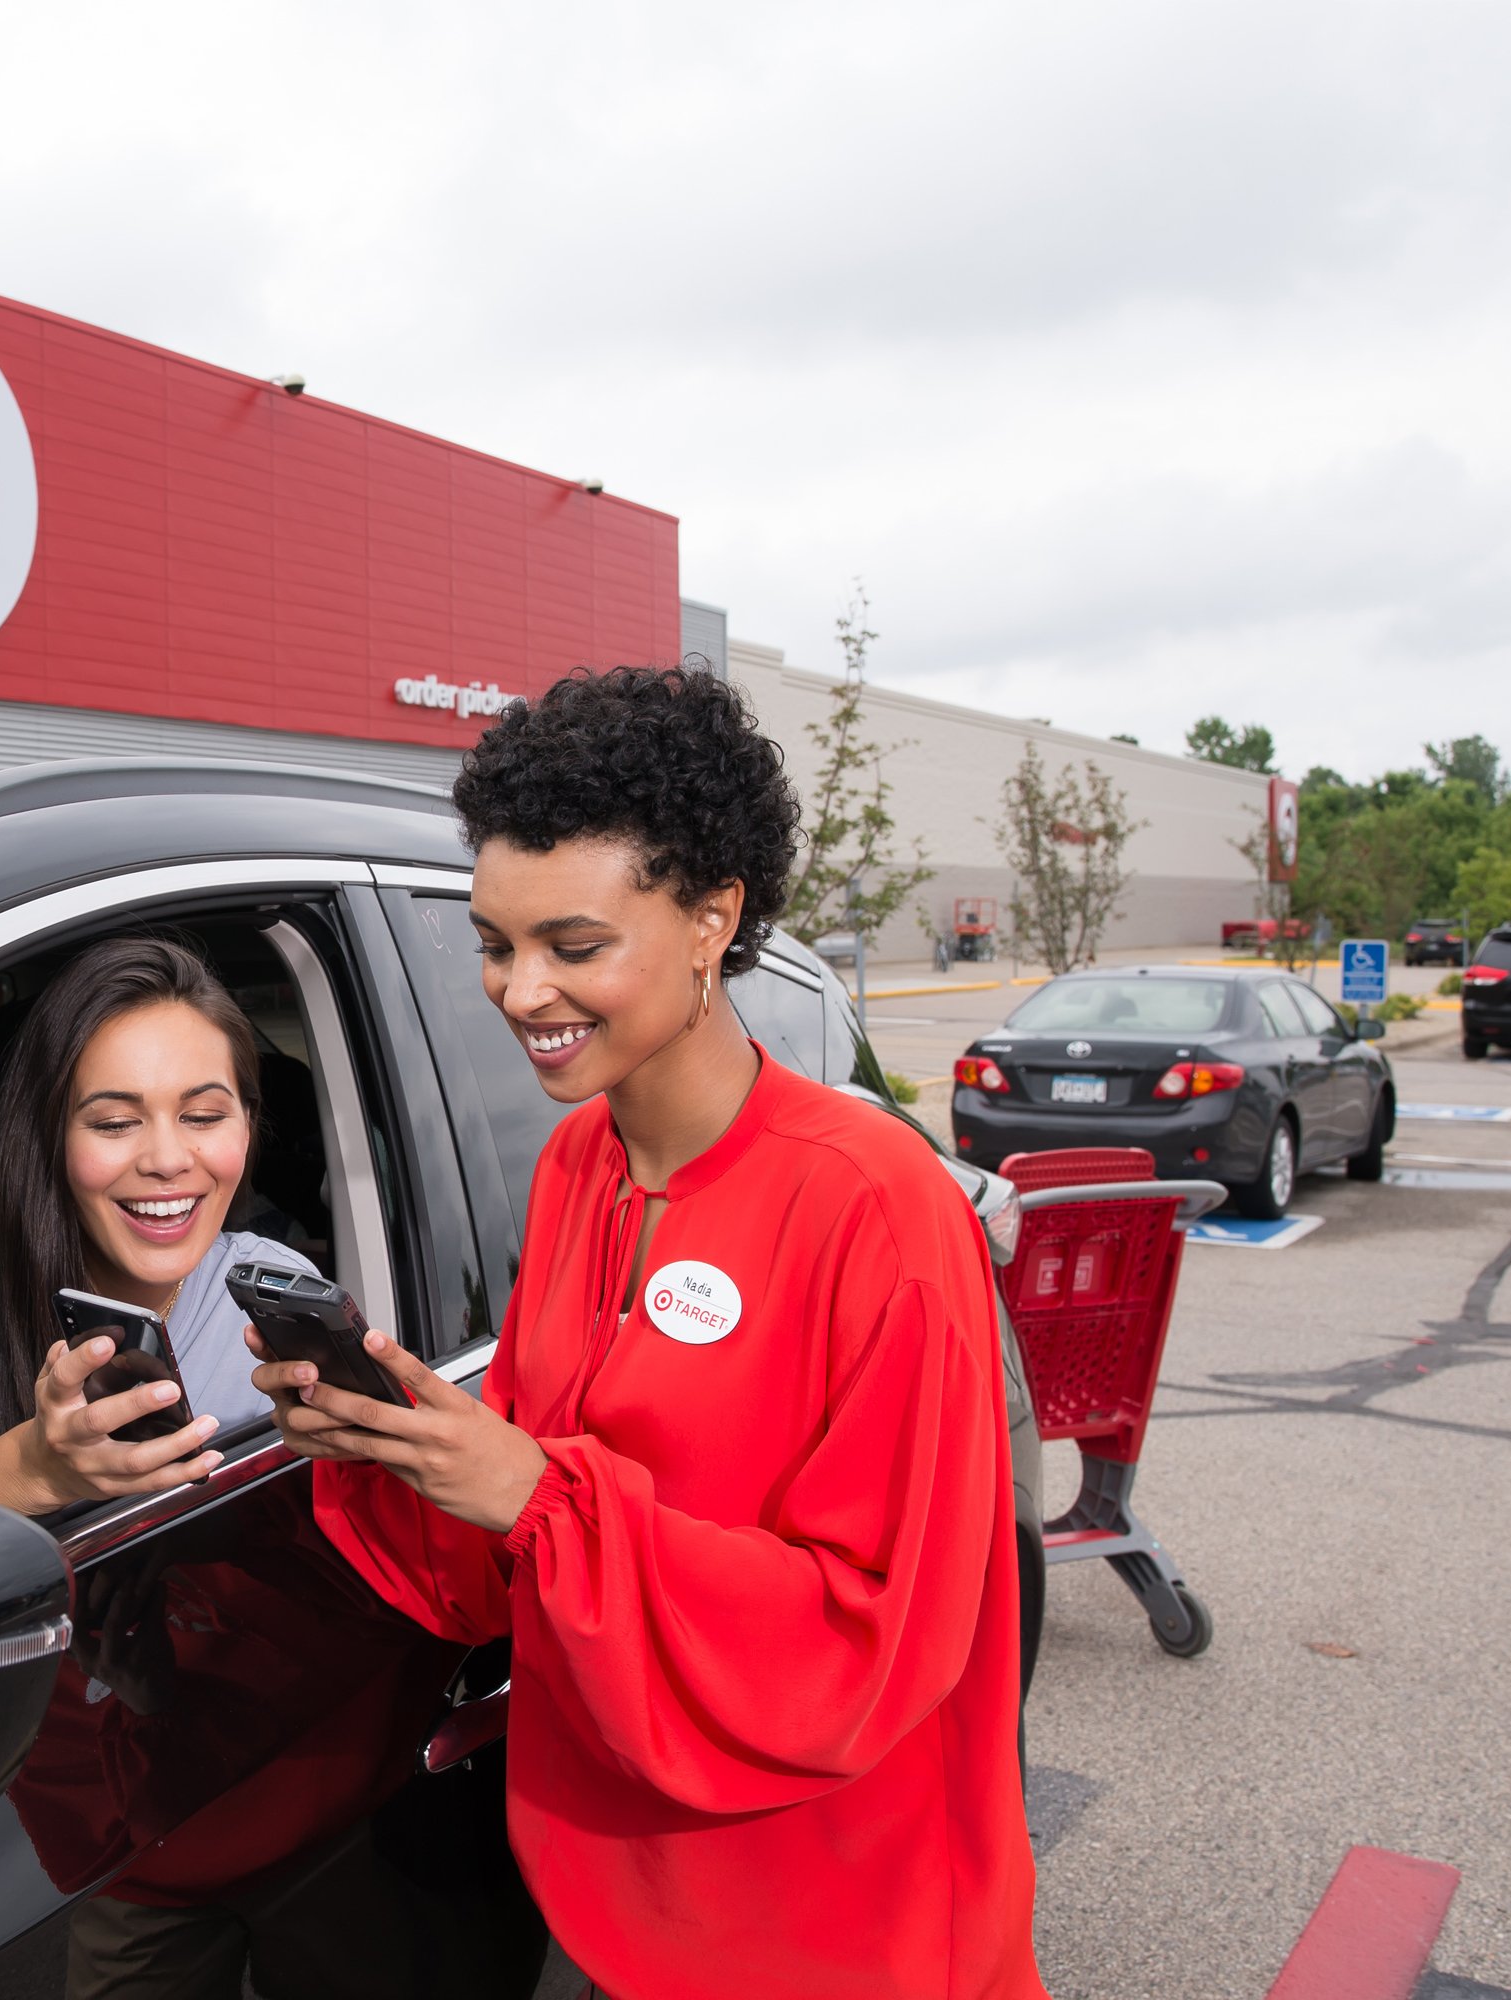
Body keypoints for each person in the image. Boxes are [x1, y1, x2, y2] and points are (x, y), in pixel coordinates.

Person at [255, 666, 1045, 1998]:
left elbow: (865, 1645)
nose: (518, 991)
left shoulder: (874, 1204)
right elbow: (519, 1554)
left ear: (711, 920)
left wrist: (539, 1494)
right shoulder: (577, 1168)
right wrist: (402, 1446)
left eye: (573, 947)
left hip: (839, 1929)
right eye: (495, 944)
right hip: (610, 1892)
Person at [0, 935, 314, 1512]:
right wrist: (34, 1472)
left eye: (202, 1116)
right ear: (47, 1137)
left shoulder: (274, 1297)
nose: (167, 1160)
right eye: (115, 1123)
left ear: (247, 1124)